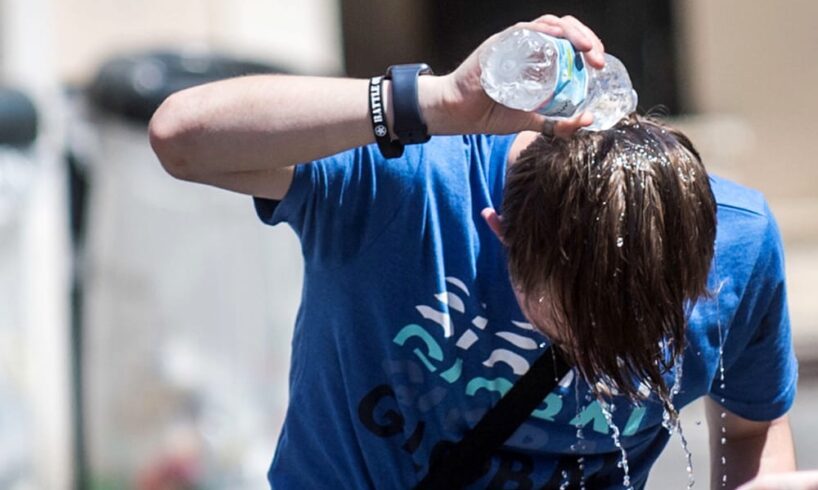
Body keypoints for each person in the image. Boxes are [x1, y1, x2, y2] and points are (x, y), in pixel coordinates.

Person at [148, 14, 798, 489]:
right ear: (499, 229)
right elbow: (181, 138)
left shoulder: (739, 242)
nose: (606, 359)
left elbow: (750, 428)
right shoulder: (400, 188)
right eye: (583, 325)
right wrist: (435, 101)